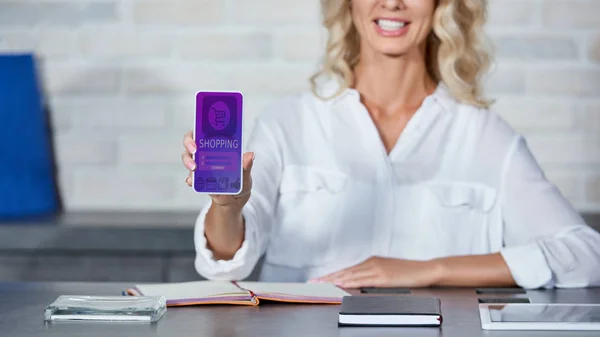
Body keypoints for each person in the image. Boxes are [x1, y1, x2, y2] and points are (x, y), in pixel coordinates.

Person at [181, 0, 600, 289]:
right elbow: (222, 264)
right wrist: (227, 206)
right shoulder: (288, 122)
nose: (392, 2)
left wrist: (428, 270)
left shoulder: (485, 135)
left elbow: (584, 254)